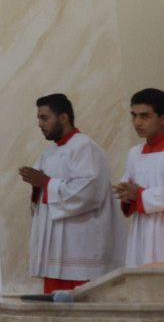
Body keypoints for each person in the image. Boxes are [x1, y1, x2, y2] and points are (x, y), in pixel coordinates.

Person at [19, 93, 119, 293]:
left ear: (63, 117)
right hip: (56, 248)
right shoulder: (49, 152)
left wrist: (46, 183)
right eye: (38, 118)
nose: (39, 124)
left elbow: (89, 192)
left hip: (79, 246)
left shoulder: (85, 147)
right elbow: (45, 192)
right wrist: (36, 185)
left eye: (44, 118)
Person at [115, 87, 164, 268]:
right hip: (141, 232)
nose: (137, 122)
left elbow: (138, 193)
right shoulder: (134, 153)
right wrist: (125, 194)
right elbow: (128, 187)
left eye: (144, 116)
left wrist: (140, 195)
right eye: (134, 116)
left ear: (162, 117)